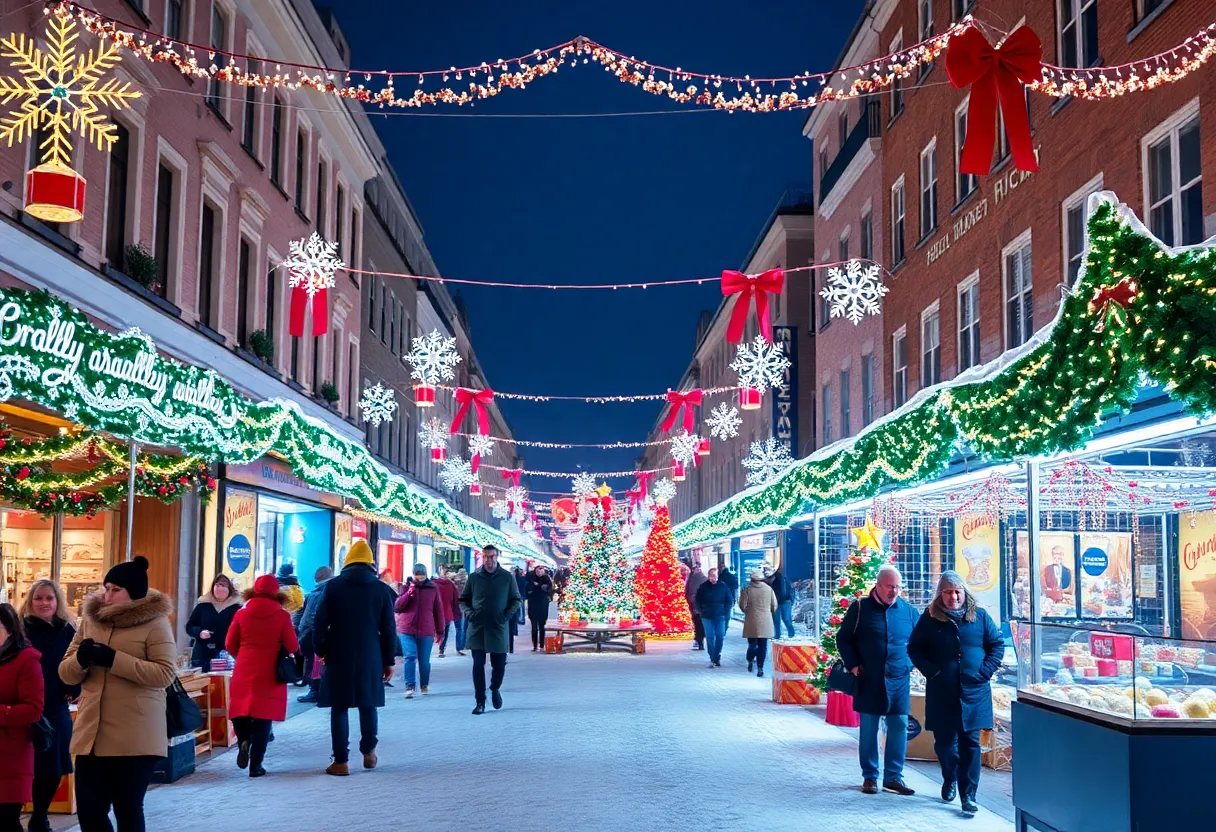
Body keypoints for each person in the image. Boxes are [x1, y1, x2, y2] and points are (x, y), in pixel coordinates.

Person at [59, 556, 177, 832]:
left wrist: (115, 660)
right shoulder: (91, 621)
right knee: (89, 811)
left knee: (128, 808)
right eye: (106, 587)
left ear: (133, 594)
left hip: (135, 734)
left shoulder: (155, 624)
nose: (107, 595)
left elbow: (164, 674)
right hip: (93, 734)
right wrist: (81, 660)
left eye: (115, 590)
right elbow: (65, 672)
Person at [908, 571, 1004, 815]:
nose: (954, 597)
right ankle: (950, 776)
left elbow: (996, 645)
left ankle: (968, 795)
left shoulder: (980, 616)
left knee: (971, 744)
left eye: (957, 591)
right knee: (944, 744)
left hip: (975, 691)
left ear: (965, 592)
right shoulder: (930, 619)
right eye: (948, 592)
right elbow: (914, 648)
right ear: (941, 594)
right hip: (942, 692)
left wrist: (985, 672)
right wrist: (932, 672)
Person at [312, 541, 396, 776]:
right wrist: (389, 660)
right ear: (370, 563)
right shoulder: (380, 589)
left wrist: (321, 650)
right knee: (367, 704)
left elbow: (319, 623)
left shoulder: (333, 586)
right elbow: (389, 628)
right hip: (371, 655)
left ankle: (341, 762)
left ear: (347, 561)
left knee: (339, 707)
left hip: (338, 654)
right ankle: (368, 751)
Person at [836, 564, 920, 797]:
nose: (894, 591)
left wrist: (909, 665)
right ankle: (870, 776)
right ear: (878, 585)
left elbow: (919, 644)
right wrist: (853, 664)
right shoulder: (861, 608)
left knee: (899, 727)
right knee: (869, 728)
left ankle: (893, 777)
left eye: (898, 587)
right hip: (868, 678)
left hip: (898, 681)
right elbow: (843, 639)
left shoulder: (909, 611)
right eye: (890, 587)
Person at [225, 574, 299, 778]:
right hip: (270, 671)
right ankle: (256, 765)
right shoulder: (282, 616)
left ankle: (243, 741)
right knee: (263, 718)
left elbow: (230, 643)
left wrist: (242, 655)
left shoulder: (241, 613)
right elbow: (293, 645)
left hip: (244, 666)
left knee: (241, 709)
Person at [21, 581, 80, 832]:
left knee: (53, 766)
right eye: (39, 598)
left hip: (56, 706)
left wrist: (74, 688)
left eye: (49, 598)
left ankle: (40, 815)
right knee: (23, 766)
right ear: (30, 601)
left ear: (57, 602)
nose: (45, 603)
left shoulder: (68, 630)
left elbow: (77, 664)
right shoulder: (20, 630)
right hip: (25, 706)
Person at [459, 545, 522, 715]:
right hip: (478, 627)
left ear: (497, 557)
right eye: (486, 557)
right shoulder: (473, 578)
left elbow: (516, 599)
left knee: (499, 665)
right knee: (478, 665)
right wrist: (470, 614)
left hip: (498, 627)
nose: (489, 560)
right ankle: (480, 701)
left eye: (492, 556)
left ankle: (494, 688)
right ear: (482, 557)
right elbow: (463, 600)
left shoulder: (507, 578)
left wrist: (506, 616)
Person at [0, 603, 44, 832]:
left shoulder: (26, 659)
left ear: (9, 630)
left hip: (11, 755)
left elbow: (33, 708)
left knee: (6, 820)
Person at [394, 564, 445, 699]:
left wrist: (440, 631)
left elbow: (438, 610)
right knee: (409, 657)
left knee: (424, 660)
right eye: (417, 574)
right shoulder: (406, 587)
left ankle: (424, 685)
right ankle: (409, 686)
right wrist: (409, 593)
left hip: (426, 629)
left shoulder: (432, 588)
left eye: (421, 574)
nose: (419, 576)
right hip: (407, 628)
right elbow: (398, 607)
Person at [184, 574, 241, 671]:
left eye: (223, 586)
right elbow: (190, 626)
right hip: (202, 655)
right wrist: (199, 632)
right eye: (217, 585)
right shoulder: (203, 605)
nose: (219, 588)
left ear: (229, 589)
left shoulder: (236, 608)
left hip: (226, 657)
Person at [294, 566, 332, 704]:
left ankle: (315, 690)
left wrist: (301, 630)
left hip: (313, 633)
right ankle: (318, 690)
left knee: (314, 663)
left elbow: (311, 616)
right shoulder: (323, 591)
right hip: (319, 632)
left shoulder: (319, 592)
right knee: (317, 663)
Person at [738, 569, 778, 677]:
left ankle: (750, 660)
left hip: (751, 620)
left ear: (751, 579)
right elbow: (774, 606)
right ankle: (760, 667)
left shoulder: (747, 590)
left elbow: (742, 605)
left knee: (752, 643)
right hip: (765, 621)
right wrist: (768, 613)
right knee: (763, 646)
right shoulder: (769, 589)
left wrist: (747, 611)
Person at [694, 568, 732, 668]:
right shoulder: (703, 587)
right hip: (707, 616)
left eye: (715, 576)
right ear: (708, 576)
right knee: (710, 637)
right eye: (711, 576)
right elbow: (697, 600)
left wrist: (726, 611)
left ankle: (717, 656)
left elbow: (729, 600)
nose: (713, 578)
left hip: (720, 616)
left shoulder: (723, 586)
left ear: (718, 576)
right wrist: (701, 612)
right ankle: (712, 658)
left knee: (720, 636)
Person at [433, 567, 461, 659]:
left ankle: (436, 644)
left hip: (435, 612)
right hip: (447, 612)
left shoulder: (434, 584)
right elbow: (455, 600)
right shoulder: (451, 585)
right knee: (445, 631)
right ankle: (441, 649)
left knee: (436, 630)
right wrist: (456, 611)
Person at [525, 565, 555, 651]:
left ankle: (541, 645)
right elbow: (528, 590)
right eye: (538, 571)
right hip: (533, 605)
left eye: (541, 571)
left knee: (542, 626)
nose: (539, 573)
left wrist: (538, 586)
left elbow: (549, 590)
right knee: (534, 627)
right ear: (535, 571)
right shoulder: (530, 578)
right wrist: (538, 587)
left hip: (542, 606)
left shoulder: (546, 579)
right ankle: (535, 645)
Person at [768, 567, 797, 639]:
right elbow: (791, 590)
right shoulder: (785, 579)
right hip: (785, 601)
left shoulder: (774, 580)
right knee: (785, 619)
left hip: (780, 601)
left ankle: (779, 635)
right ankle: (791, 634)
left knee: (777, 620)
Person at [684, 565, 708, 651]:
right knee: (700, 624)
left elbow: (689, 593)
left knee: (698, 624)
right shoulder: (704, 579)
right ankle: (700, 641)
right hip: (702, 607)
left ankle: (699, 641)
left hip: (696, 607)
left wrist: (691, 603)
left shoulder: (693, 579)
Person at [448, 567, 470, 656]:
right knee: (464, 628)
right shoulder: (466, 584)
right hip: (464, 607)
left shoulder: (454, 584)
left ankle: (460, 646)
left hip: (456, 607)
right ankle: (461, 646)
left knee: (459, 628)